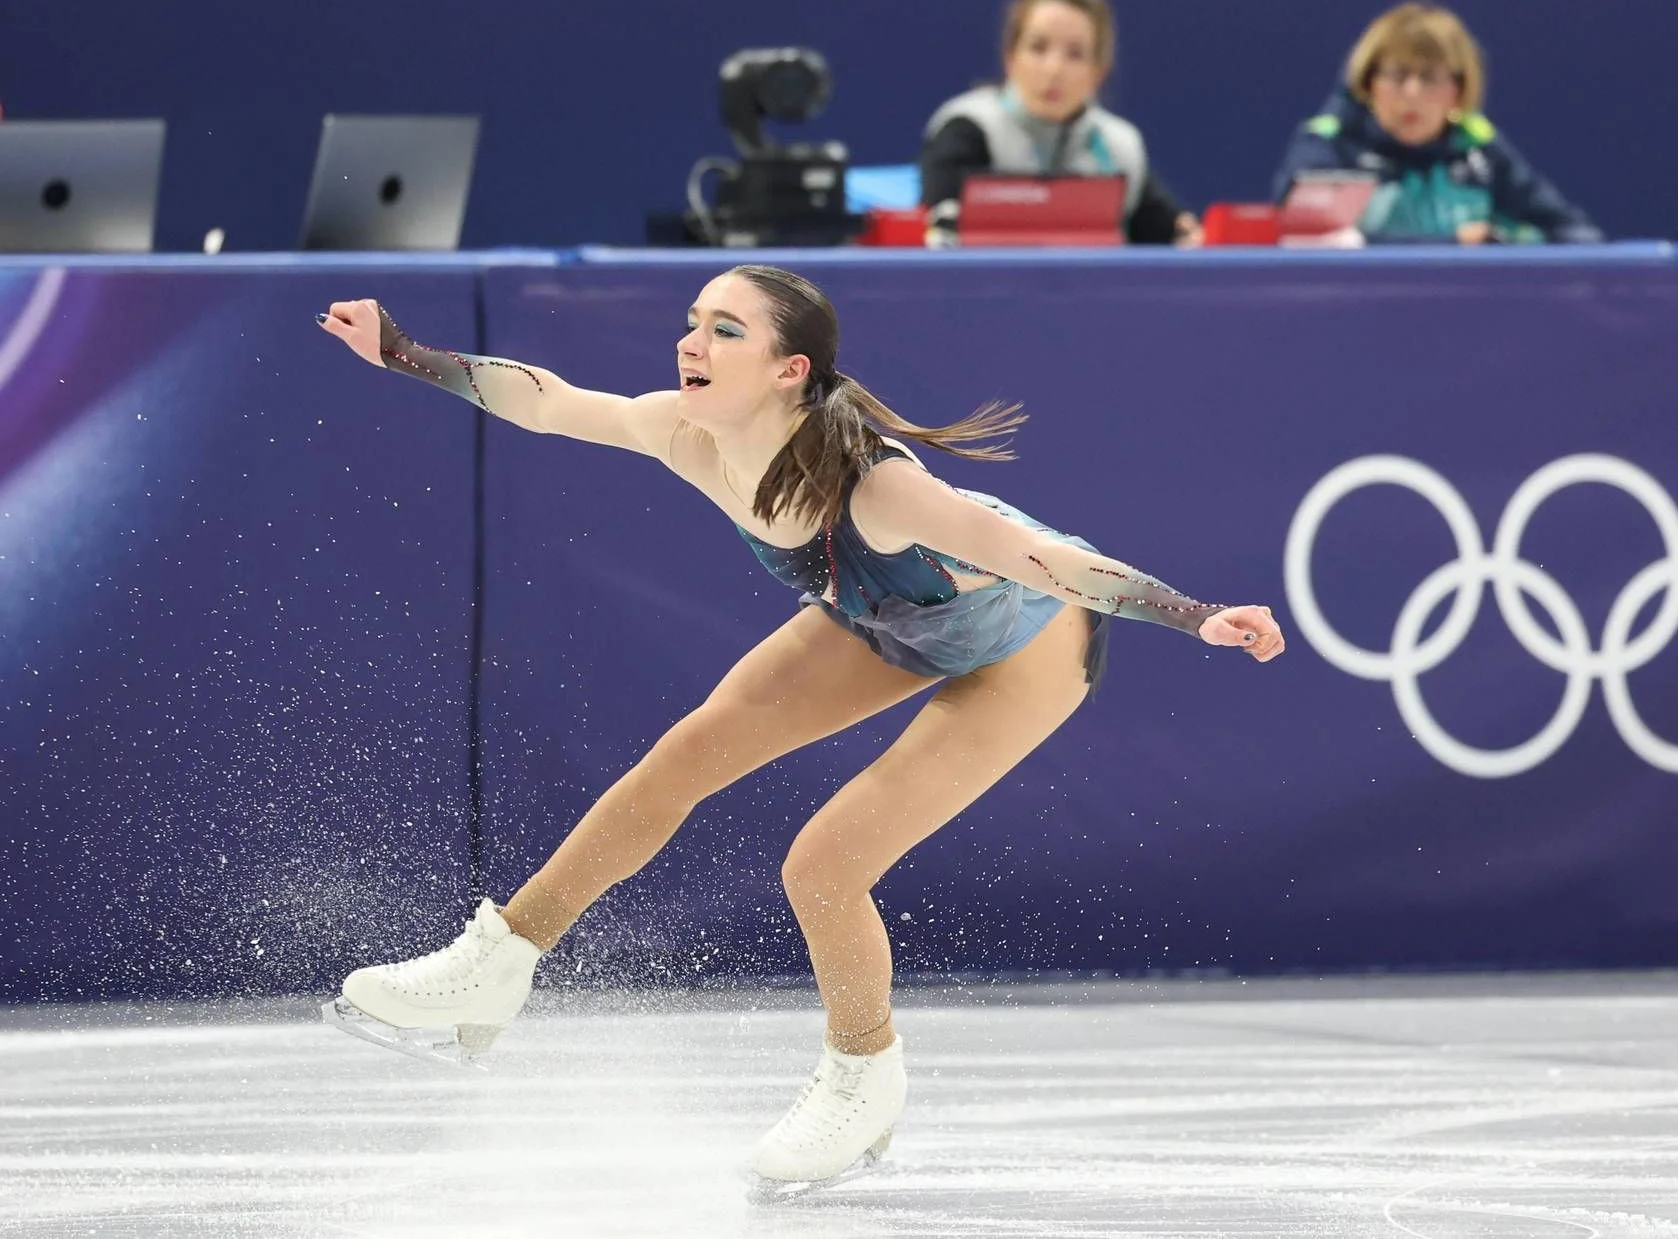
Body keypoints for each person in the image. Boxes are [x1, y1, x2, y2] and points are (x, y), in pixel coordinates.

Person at [314, 265, 1282, 1193]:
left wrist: (1198, 615)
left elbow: (1052, 560)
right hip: (881, 618)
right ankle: (500, 964)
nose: (692, 344)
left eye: (724, 331)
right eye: (693, 322)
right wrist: (404, 352)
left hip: (1027, 641)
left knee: (822, 864)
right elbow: (548, 398)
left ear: (790, 371)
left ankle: (864, 1075)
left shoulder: (883, 490)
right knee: (685, 754)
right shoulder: (687, 435)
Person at [1273, 1, 1601, 245]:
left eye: (1430, 78)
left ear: (1457, 90)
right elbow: (1307, 244)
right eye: (1397, 76)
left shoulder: (1478, 151)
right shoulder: (1330, 145)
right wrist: (1452, 245)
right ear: (1369, 83)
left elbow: (1572, 233)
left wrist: (1509, 243)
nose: (1412, 93)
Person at [920, 0, 1202, 247]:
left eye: (1075, 54)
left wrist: (1187, 237)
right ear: (1010, 57)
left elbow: (1175, 237)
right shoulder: (968, 128)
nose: (1054, 69)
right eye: (1038, 48)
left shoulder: (1119, 146)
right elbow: (938, 237)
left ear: (1098, 72)